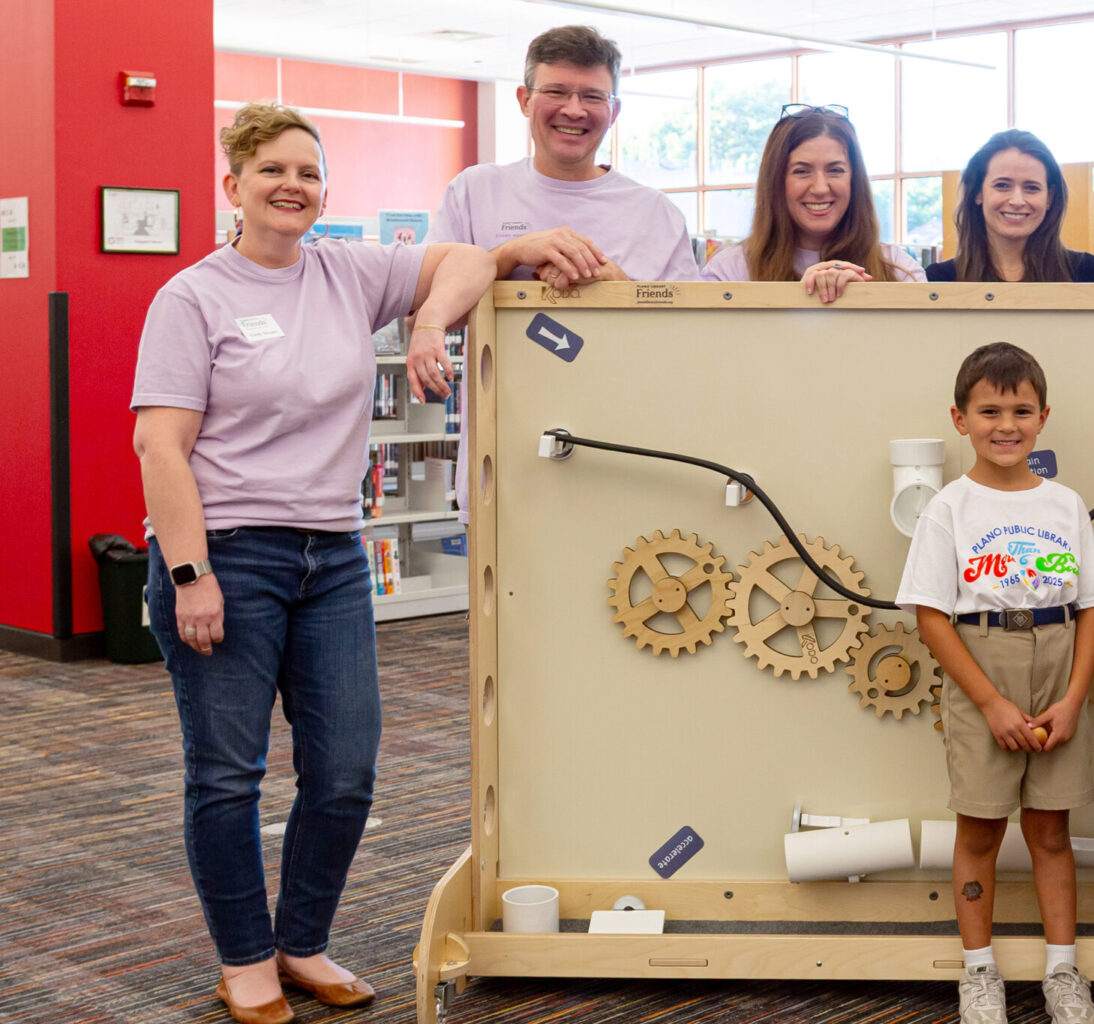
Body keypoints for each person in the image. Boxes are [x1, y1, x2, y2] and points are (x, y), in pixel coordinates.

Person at [131, 103, 495, 1024]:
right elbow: (159, 449)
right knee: (227, 771)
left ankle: (303, 941)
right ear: (234, 188)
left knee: (344, 773)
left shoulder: (347, 273)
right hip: (227, 557)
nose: (293, 185)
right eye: (271, 171)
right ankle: (245, 958)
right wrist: (189, 575)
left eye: (308, 171)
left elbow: (466, 260)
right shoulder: (193, 297)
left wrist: (424, 328)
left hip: (333, 556)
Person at [895, 343, 1094, 1024]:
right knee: (981, 831)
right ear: (960, 419)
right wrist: (988, 702)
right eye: (990, 410)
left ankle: (1062, 970)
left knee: (1051, 831)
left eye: (1021, 410)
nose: (1006, 424)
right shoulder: (950, 508)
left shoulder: (1065, 504)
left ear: (1043, 417)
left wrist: (1074, 698)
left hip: (1056, 660)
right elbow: (931, 617)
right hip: (980, 663)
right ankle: (979, 971)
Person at [427, 24, 698, 522]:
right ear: (524, 100)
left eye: (592, 96)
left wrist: (615, 287)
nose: (574, 109)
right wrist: (510, 255)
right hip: (502, 472)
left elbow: (689, 352)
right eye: (556, 91)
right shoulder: (474, 192)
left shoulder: (656, 214)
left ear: (613, 111)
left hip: (629, 469)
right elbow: (423, 312)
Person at [700, 104, 927, 300]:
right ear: (776, 180)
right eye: (802, 171)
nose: (820, 188)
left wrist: (866, 304)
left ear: (854, 180)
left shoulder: (900, 271)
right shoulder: (729, 272)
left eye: (835, 170)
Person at [926, 130, 1094, 283]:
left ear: (1050, 197)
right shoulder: (940, 280)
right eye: (1002, 185)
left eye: (1031, 188)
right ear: (978, 193)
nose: (1017, 201)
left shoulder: (1087, 273)